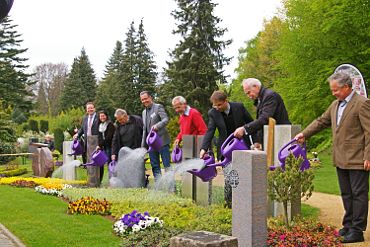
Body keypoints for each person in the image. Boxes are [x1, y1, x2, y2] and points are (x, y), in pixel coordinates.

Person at [295, 72, 370, 244]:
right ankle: (348, 225)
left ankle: (357, 230)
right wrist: (304, 134)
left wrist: (368, 156)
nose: (333, 93)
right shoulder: (335, 105)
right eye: (332, 90)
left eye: (336, 90)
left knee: (358, 194)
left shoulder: (362, 104)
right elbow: (321, 121)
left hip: (358, 158)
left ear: (346, 87)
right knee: (346, 193)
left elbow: (369, 132)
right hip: (341, 157)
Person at [199, 90, 254, 208]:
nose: (216, 107)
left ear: (226, 101)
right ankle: (228, 204)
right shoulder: (213, 113)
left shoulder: (239, 107)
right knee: (230, 176)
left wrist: (255, 142)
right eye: (214, 105)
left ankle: (242, 204)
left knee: (242, 176)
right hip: (225, 151)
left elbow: (252, 124)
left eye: (219, 105)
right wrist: (203, 148)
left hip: (242, 148)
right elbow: (210, 131)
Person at [234, 78, 291, 148]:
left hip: (281, 135)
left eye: (249, 92)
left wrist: (244, 129)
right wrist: (258, 141)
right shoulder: (261, 99)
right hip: (273, 135)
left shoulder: (269, 96)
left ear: (256, 86)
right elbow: (261, 121)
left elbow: (264, 119)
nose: (248, 96)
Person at [140, 91, 171, 180]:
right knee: (155, 166)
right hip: (151, 144)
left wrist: (157, 126)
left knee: (167, 165)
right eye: (142, 100)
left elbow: (165, 119)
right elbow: (144, 130)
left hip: (162, 141)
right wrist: (143, 147)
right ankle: (159, 187)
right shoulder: (143, 112)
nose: (144, 101)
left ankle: (171, 187)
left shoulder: (158, 107)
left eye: (146, 98)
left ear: (150, 97)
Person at [97, 110, 115, 183]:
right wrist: (99, 145)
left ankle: (112, 181)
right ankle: (99, 180)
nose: (102, 117)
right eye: (101, 116)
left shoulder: (110, 124)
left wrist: (99, 145)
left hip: (109, 147)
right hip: (102, 148)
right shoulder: (100, 125)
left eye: (103, 116)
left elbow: (109, 137)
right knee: (100, 164)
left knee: (110, 164)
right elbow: (99, 137)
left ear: (106, 116)